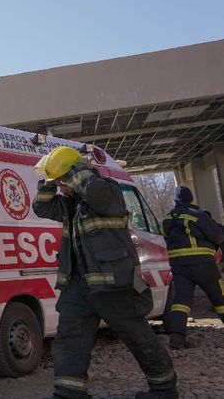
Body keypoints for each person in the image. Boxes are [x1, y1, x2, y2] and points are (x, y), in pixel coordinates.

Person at [33, 146, 177, 399]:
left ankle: (164, 389)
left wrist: (79, 173)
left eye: (62, 182)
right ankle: (68, 393)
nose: (61, 188)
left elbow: (96, 193)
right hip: (79, 286)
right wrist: (48, 180)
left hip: (115, 284)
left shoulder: (107, 190)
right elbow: (41, 208)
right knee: (70, 340)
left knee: (138, 337)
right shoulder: (70, 204)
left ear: (75, 175)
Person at [161, 187, 224, 349]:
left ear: (176, 201)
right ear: (191, 199)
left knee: (181, 301)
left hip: (178, 265)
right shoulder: (198, 216)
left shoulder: (167, 219)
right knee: (219, 297)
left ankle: (176, 338)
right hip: (203, 263)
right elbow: (218, 236)